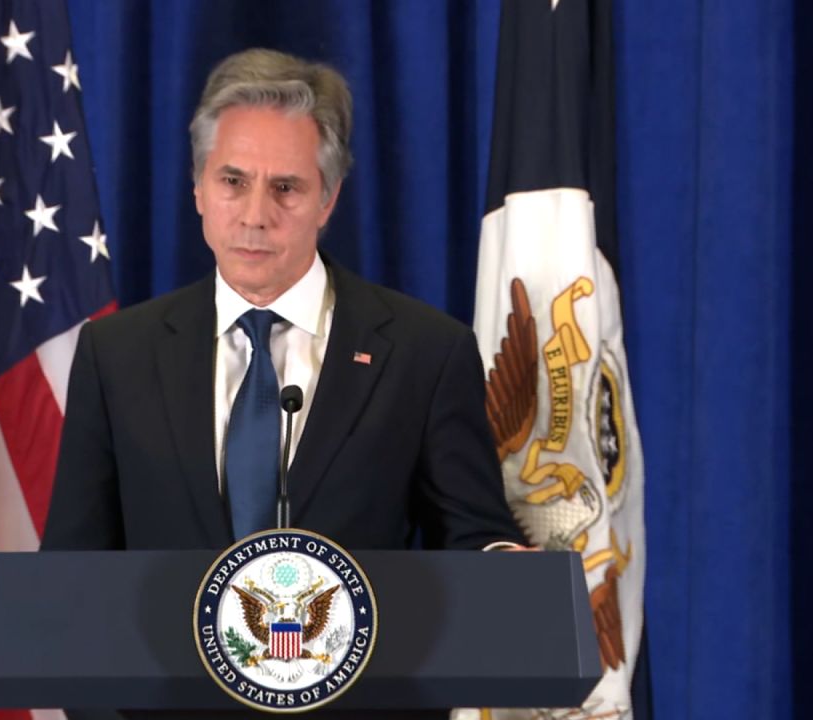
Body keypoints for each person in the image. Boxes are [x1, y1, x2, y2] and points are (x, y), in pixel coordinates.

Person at [41, 48, 523, 556]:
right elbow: (73, 562)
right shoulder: (117, 355)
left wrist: (504, 564)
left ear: (328, 199)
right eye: (233, 182)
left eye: (286, 188)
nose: (255, 215)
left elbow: (477, 540)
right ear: (199, 187)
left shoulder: (424, 353)